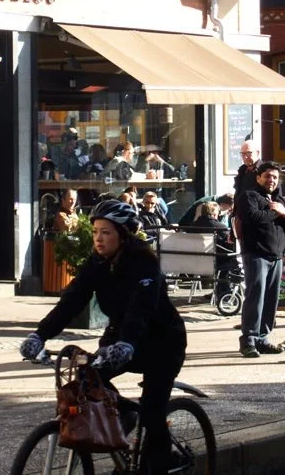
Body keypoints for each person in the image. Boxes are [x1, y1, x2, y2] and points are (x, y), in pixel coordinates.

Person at [19, 200, 186, 474]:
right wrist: (39, 335)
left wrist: (127, 343)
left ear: (123, 235)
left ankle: (160, 462)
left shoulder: (144, 263)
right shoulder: (96, 263)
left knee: (153, 414)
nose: (98, 238)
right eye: (96, 231)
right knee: (88, 382)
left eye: (106, 232)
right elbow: (70, 303)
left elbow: (140, 309)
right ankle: (125, 416)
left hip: (161, 343)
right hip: (120, 338)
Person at [237, 161, 285, 357]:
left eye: (275, 177)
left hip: (276, 255)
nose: (271, 180)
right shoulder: (249, 196)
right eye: (267, 176)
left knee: (271, 299)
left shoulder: (279, 200)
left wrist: (283, 213)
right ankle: (248, 340)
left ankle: (263, 338)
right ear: (258, 177)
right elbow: (253, 218)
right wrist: (275, 212)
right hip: (256, 254)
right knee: (255, 297)